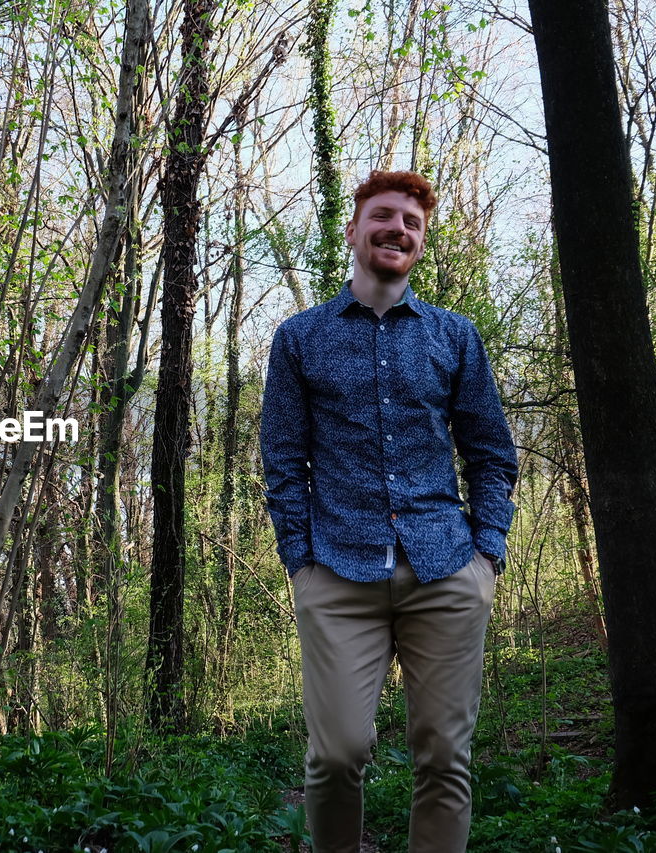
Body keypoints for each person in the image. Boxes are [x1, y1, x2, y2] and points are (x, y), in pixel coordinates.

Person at [260, 170, 518, 853]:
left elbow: (491, 452)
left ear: (421, 244)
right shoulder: (299, 339)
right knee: (338, 753)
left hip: (447, 569)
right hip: (338, 574)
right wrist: (301, 563)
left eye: (411, 222)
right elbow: (283, 463)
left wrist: (487, 554)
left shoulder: (454, 336)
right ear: (352, 230)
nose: (397, 228)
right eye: (383, 215)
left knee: (443, 757)